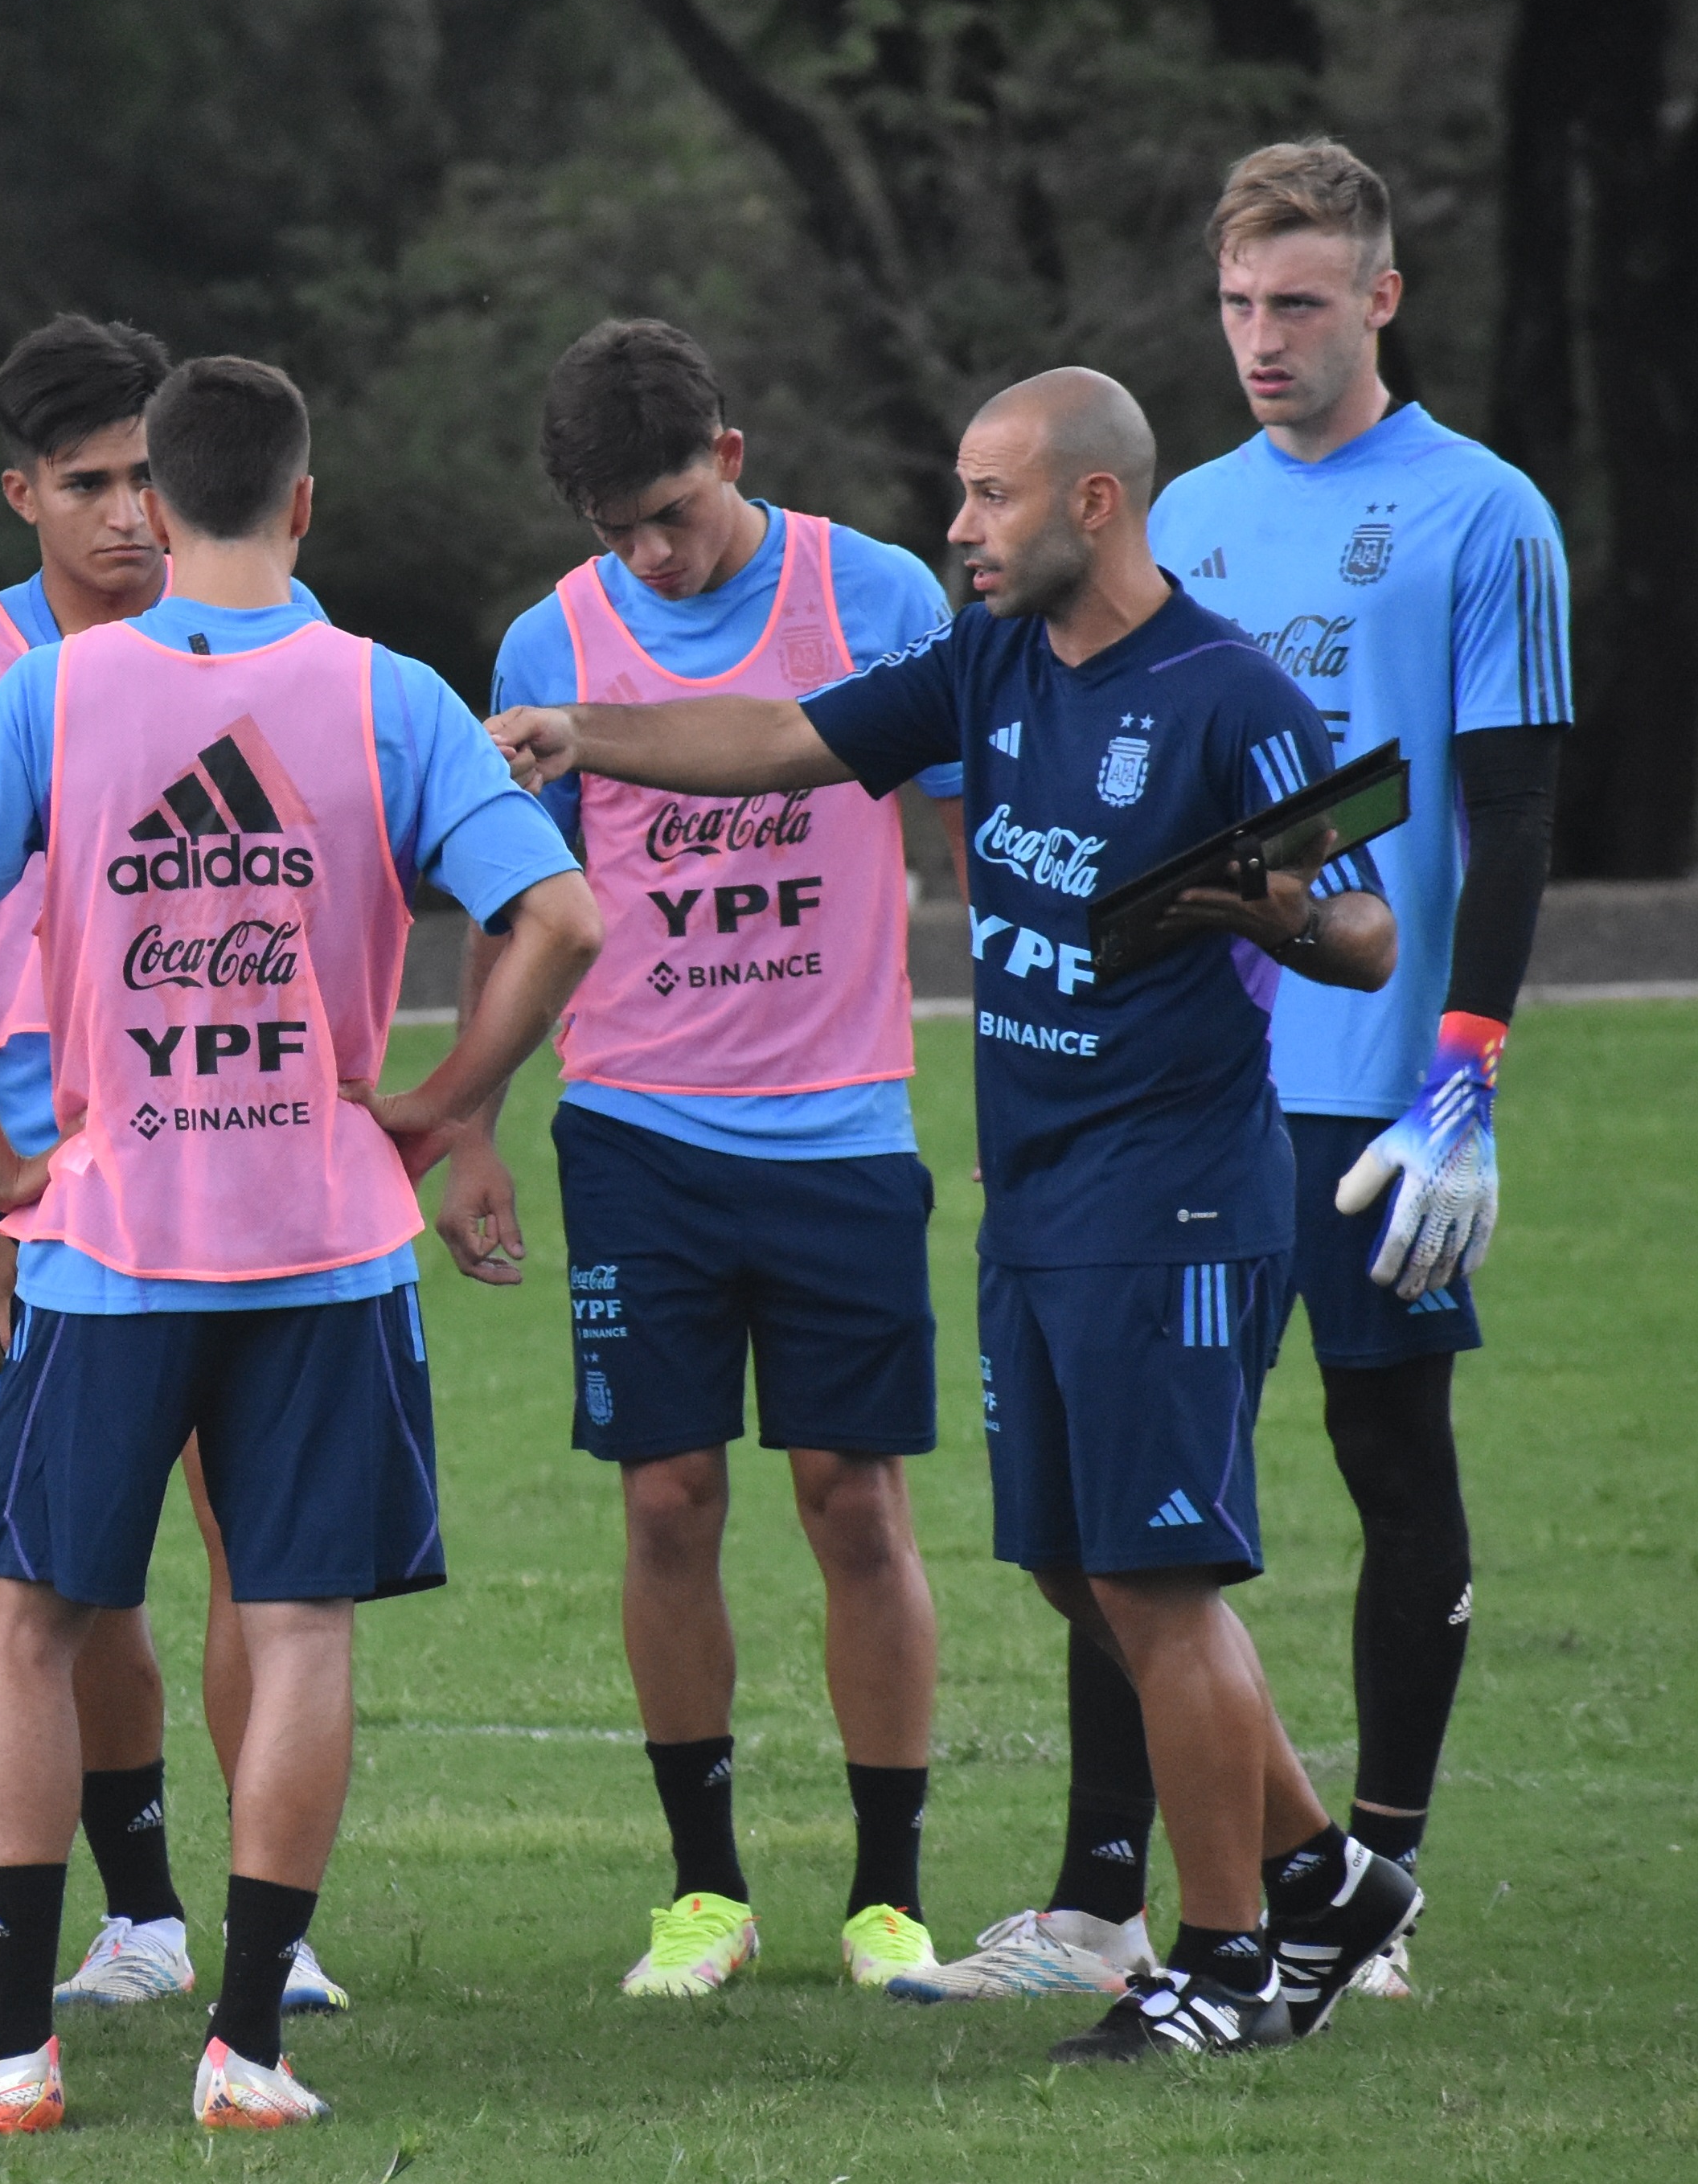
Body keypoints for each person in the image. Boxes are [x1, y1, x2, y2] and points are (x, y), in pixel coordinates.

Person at [491, 367, 1429, 2063]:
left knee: (1157, 1579)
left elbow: (1365, 930)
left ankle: (1223, 1959)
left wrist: (1274, 904)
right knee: (1078, 1564)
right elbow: (782, 736)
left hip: (1175, 1192)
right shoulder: (990, 661)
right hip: (1039, 1184)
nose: (956, 526)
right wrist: (589, 732)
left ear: (1090, 503)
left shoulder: (1225, 695)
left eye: (988, 495)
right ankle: (1324, 1876)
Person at [0, 356, 599, 2133]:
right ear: (305, 501)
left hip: (111, 1237)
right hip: (327, 1240)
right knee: (299, 1630)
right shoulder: (387, 694)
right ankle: (251, 2051)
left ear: (157, 508)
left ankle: (13, 2052)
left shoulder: (54, 691)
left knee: (31, 1621)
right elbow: (561, 916)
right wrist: (438, 1103)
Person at [911, 141, 1572, 2005]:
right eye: (1235, 304)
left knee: (1383, 1447)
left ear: (1378, 298)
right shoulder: (1173, 511)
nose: (1261, 337)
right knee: (1125, 1507)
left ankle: (1379, 1881)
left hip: (1375, 1082)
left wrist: (1466, 1083)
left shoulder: (1484, 513)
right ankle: (1106, 1892)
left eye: (1298, 301)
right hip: (1176, 1077)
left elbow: (1506, 817)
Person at [450, 321, 957, 2002]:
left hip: (839, 1129)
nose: (651, 555)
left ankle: (886, 1898)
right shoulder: (550, 638)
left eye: (671, 511)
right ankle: (703, 1890)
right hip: (640, 1132)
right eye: (620, 531)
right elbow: (519, 901)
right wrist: (472, 1122)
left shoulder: (871, 591)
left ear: (729, 456)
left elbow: (980, 799)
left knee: (852, 1503)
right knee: (666, 1502)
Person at [0, 313, 342, 2023]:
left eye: (151, 474)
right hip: (44, 1184)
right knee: (72, 1566)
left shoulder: (258, 645)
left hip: (245, 1165)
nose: (132, 513)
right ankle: (138, 1909)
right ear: (23, 496)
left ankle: (266, 1916)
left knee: (254, 1543)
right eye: (90, 486)